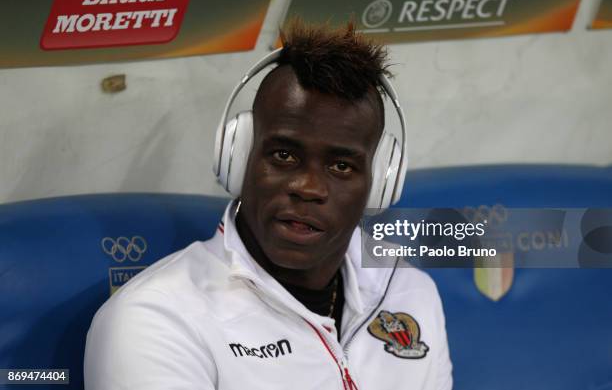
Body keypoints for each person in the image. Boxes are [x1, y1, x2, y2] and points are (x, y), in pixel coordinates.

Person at [84, 21, 453, 390]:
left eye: (342, 166)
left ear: (380, 184)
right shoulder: (158, 321)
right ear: (239, 156)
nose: (308, 188)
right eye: (284, 155)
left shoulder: (409, 290)